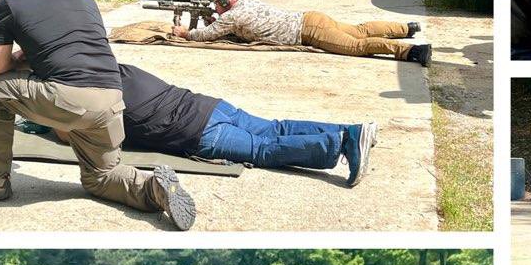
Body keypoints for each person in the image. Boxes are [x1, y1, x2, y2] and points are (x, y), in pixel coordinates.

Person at [0, 0, 196, 229]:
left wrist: (18, 58)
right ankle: (154, 189)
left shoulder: (9, 2)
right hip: (112, 99)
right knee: (101, 177)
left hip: (71, 99)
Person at [113, 62, 376, 188]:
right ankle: (352, 130)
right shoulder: (123, 69)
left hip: (200, 132)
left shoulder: (104, 98)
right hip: (212, 106)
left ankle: (344, 142)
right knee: (275, 128)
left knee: (262, 150)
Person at [171, 0, 431, 66]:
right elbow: (230, 24)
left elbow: (205, 36)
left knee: (357, 46)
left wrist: (185, 33)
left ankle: (411, 51)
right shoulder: (246, 3)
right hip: (311, 18)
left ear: (223, 5)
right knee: (360, 29)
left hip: (308, 32)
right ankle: (407, 28)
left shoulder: (230, 17)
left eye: (217, 5)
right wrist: (214, 16)